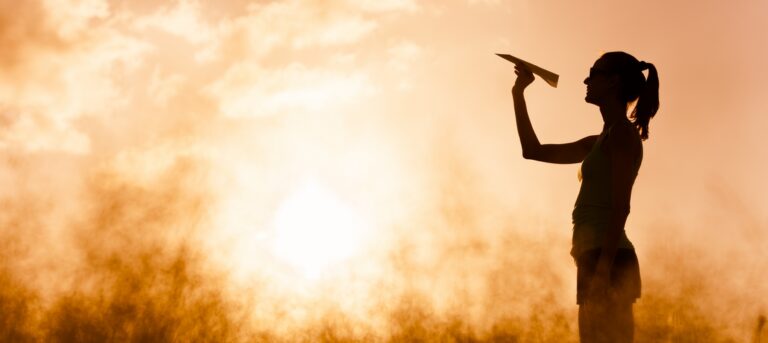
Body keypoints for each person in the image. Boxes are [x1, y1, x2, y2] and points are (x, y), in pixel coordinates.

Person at [510, 51, 659, 342]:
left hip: (610, 259)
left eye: (594, 73)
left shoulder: (622, 137)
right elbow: (533, 150)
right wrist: (519, 93)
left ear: (613, 81)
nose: (586, 80)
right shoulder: (598, 141)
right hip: (594, 256)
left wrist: (603, 269)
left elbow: (621, 207)